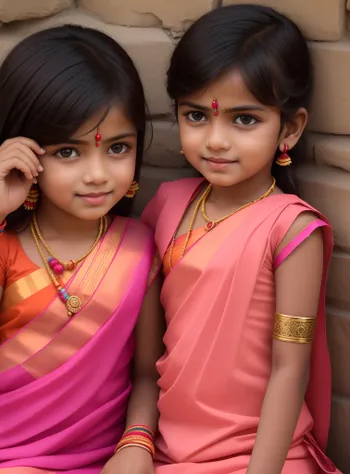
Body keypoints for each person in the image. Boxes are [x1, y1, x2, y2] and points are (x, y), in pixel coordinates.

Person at [0, 25, 164, 474]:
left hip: (104, 460)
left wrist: (137, 444)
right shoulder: (1, 247)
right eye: (68, 152)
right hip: (4, 457)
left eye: (118, 148)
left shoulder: (139, 248)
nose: (98, 174)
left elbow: (146, 373)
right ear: (23, 151)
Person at [141, 5, 341, 473]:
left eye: (243, 120)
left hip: (263, 456)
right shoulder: (168, 205)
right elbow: (144, 358)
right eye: (196, 116)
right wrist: (136, 441)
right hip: (168, 451)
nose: (215, 140)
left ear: (289, 128)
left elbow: (290, 370)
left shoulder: (292, 231)